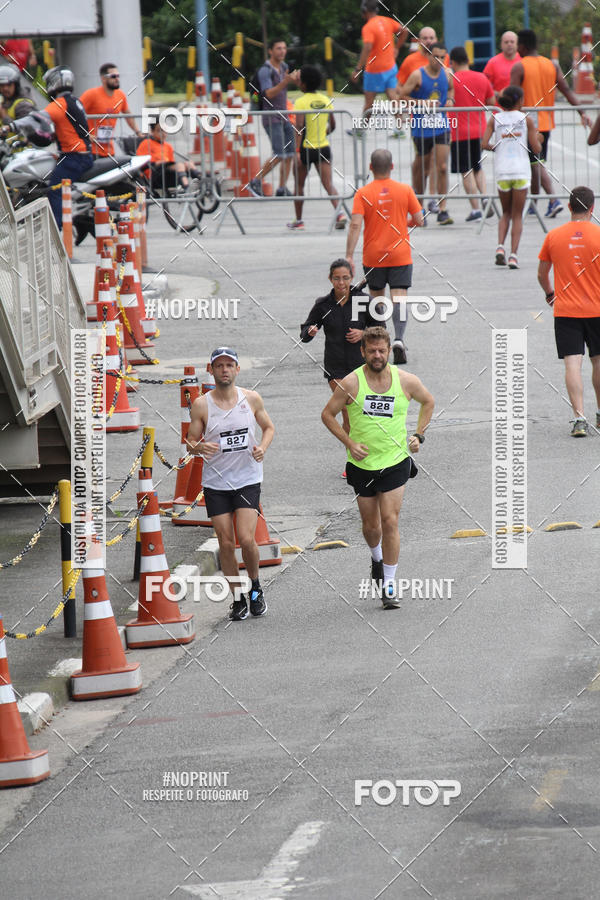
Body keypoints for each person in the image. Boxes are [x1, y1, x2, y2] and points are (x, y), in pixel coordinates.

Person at [321, 326, 434, 607]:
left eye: (382, 350)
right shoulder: (351, 383)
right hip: (363, 464)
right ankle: (376, 558)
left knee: (390, 520)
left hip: (395, 461)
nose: (377, 355)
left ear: (388, 352)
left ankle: (390, 584)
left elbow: (428, 402)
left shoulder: (406, 381)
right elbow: (328, 415)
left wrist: (418, 435)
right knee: (371, 526)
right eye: (371, 351)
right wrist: (349, 443)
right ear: (363, 352)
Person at [186, 348, 275, 620]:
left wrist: (262, 448)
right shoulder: (201, 405)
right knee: (225, 543)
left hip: (247, 479)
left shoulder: (251, 398)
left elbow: (269, 428)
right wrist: (200, 447)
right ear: (211, 370)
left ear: (237, 369)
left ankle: (255, 587)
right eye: (219, 366)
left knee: (246, 539)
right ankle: (237, 598)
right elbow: (190, 442)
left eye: (229, 365)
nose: (224, 370)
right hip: (216, 483)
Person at [346, 149, 423, 365]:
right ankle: (398, 339)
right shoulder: (405, 190)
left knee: (377, 300)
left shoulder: (363, 193)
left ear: (371, 167)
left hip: (374, 255)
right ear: (392, 167)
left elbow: (355, 225)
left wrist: (349, 256)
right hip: (400, 254)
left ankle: (381, 342)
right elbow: (419, 219)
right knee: (399, 297)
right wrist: (405, 223)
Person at [537, 185, 600, 437]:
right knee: (598, 361)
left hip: (566, 310)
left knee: (572, 363)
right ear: (592, 208)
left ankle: (579, 418)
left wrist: (550, 293)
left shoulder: (554, 236)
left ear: (569, 207)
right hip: (597, 308)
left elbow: (542, 273)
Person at [510, 29, 591, 218]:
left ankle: (553, 200)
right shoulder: (551, 65)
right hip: (546, 123)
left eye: (518, 45)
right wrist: (582, 113)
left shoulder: (519, 67)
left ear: (523, 46)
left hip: (527, 124)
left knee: (536, 164)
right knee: (535, 162)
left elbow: (511, 96)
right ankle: (534, 203)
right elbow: (567, 91)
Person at [300, 258, 376, 450]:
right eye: (337, 278)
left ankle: (363, 450)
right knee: (349, 411)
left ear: (351, 277)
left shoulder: (363, 301)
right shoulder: (323, 304)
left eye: (345, 278)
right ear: (330, 279)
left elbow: (381, 329)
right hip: (336, 368)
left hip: (362, 366)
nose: (341, 283)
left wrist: (363, 333)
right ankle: (353, 454)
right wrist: (310, 331)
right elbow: (305, 333)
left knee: (359, 413)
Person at [482, 86, 541, 269]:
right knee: (517, 215)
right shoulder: (526, 120)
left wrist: (498, 147)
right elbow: (536, 149)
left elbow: (484, 144)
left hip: (502, 171)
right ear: (520, 101)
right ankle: (513, 256)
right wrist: (539, 139)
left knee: (505, 213)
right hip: (521, 171)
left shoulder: (495, 119)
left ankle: (500, 247)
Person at [397, 41, 455, 225]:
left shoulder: (447, 73)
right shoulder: (418, 75)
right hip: (421, 128)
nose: (439, 60)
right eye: (435, 56)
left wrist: (451, 100)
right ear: (428, 56)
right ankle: (419, 209)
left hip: (441, 126)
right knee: (422, 170)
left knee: (443, 167)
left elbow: (451, 88)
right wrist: (422, 103)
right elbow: (402, 96)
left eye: (442, 57)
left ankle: (443, 209)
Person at [289, 64, 345, 230]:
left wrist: (297, 152)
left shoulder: (301, 102)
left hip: (306, 149)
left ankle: (299, 221)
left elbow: (299, 127)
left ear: (303, 84)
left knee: (299, 186)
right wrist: (322, 133)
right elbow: (332, 125)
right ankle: (340, 214)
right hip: (323, 147)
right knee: (328, 184)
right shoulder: (326, 100)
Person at [248, 38, 300, 198]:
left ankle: (282, 188)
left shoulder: (283, 67)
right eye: (278, 48)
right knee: (279, 154)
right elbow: (268, 94)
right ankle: (255, 181)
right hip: (271, 117)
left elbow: (286, 85)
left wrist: (296, 80)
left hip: (284, 116)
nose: (282, 51)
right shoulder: (266, 71)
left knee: (290, 153)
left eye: (284, 48)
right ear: (270, 51)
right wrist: (286, 81)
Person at [43, 66, 93, 230]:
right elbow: (69, 128)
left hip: (74, 157)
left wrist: (12, 126)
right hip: (82, 154)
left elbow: (39, 117)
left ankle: (57, 231)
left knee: (54, 190)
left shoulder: (60, 104)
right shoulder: (75, 101)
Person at [449, 46, 495, 221]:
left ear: (452, 62)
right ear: (468, 60)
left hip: (459, 131)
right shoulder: (482, 77)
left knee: (465, 170)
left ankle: (475, 209)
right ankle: (484, 197)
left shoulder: (452, 79)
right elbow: (491, 101)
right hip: (480, 130)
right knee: (477, 167)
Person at [350, 0, 407, 121]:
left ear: (364, 11)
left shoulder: (368, 27)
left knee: (369, 103)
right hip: (390, 67)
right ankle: (400, 127)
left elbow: (367, 47)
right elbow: (405, 30)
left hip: (374, 70)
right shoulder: (386, 21)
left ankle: (362, 128)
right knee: (393, 98)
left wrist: (357, 69)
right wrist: (397, 48)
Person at [80, 63, 142, 158]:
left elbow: (128, 115)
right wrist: (85, 134)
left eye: (118, 76)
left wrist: (138, 132)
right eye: (113, 76)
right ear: (103, 78)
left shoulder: (120, 95)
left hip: (109, 150)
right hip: (91, 149)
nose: (117, 79)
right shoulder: (91, 94)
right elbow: (74, 114)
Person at [137, 121, 198, 191]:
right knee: (180, 166)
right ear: (152, 131)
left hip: (167, 174)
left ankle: (202, 183)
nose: (163, 134)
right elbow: (140, 164)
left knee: (188, 164)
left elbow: (172, 164)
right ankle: (187, 187)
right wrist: (157, 163)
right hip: (154, 176)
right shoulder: (145, 144)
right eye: (159, 131)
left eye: (165, 130)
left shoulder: (168, 146)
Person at [0, 63, 34, 127]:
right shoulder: (3, 99)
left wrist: (4, 116)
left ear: (16, 85)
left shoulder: (23, 105)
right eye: (2, 85)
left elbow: (27, 129)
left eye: (9, 84)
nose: (5, 88)